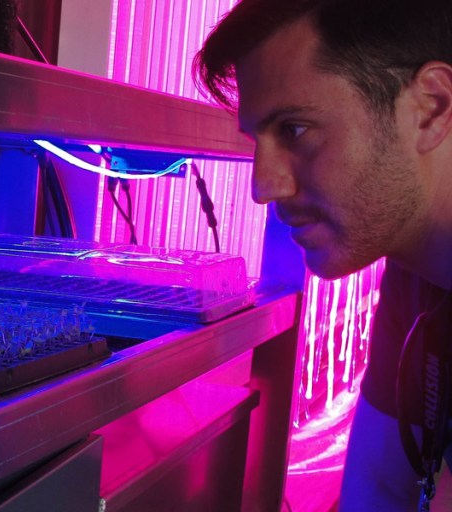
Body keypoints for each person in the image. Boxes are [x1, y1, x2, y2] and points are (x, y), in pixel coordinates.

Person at [193, 0, 452, 510]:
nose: (263, 187)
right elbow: (377, 489)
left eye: (294, 129)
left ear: (431, 108)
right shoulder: (416, 272)